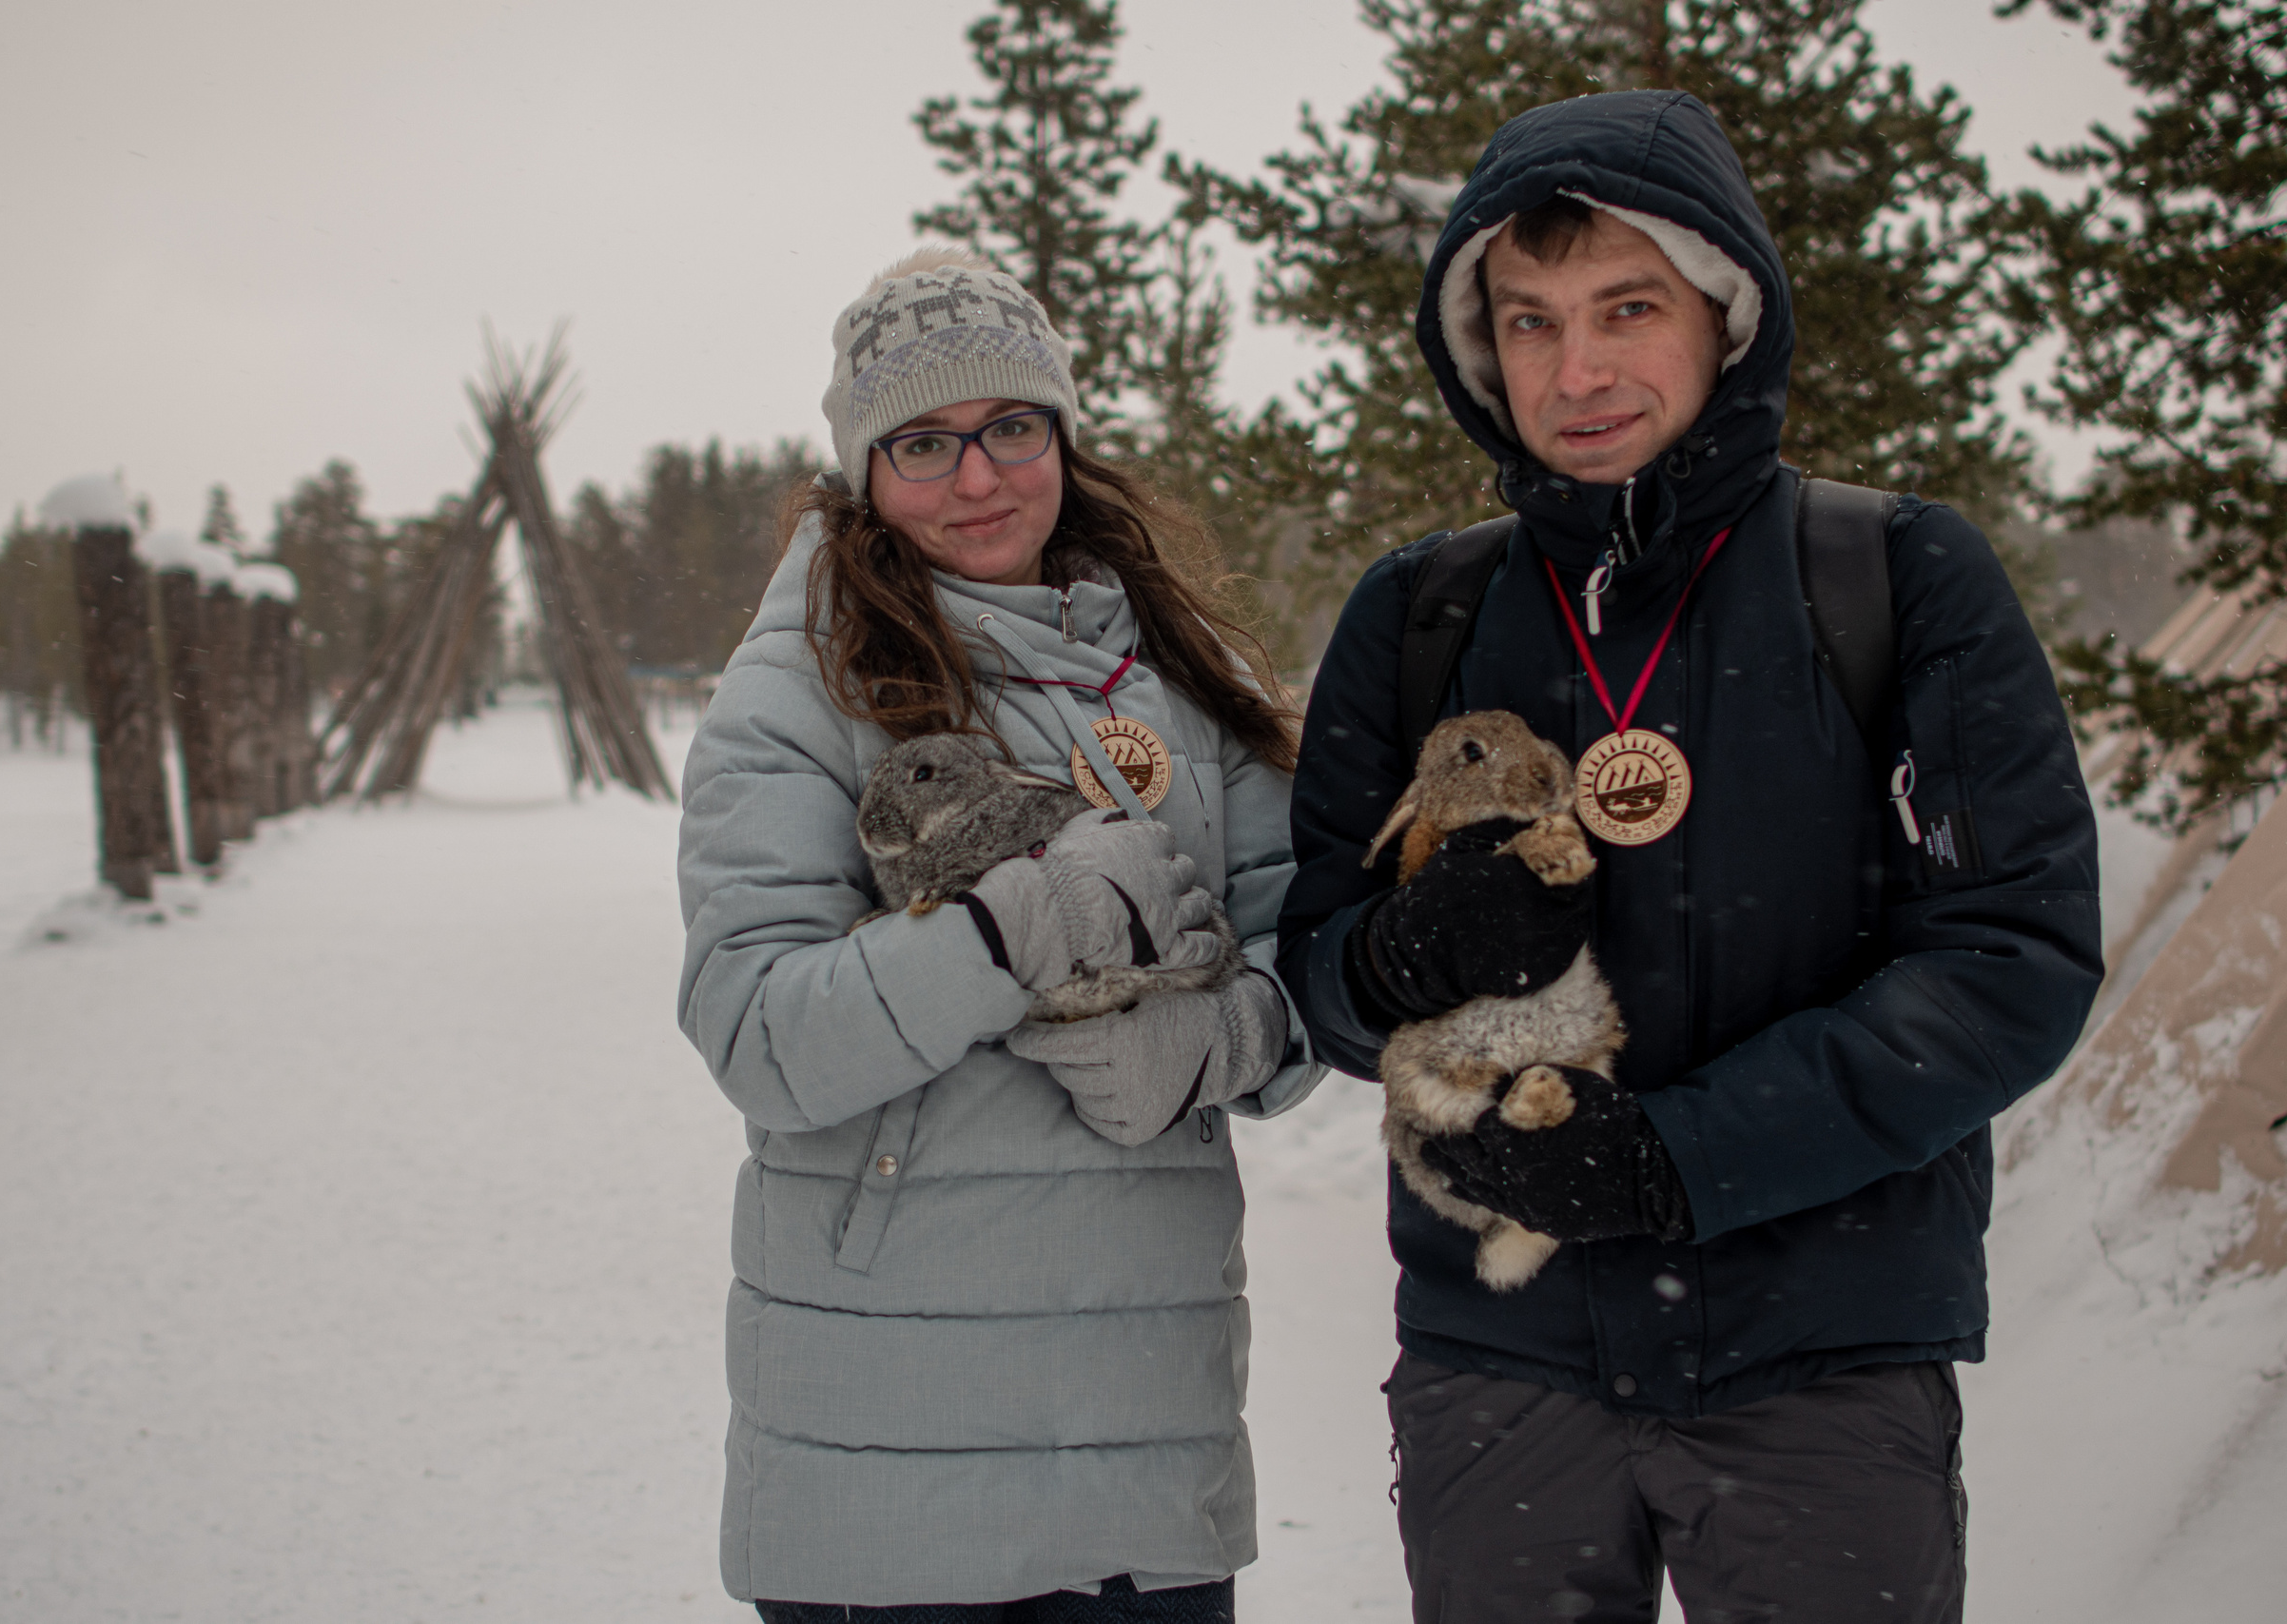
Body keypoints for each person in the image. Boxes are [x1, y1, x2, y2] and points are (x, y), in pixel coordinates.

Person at [1278, 90, 2101, 1621]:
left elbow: (2012, 961)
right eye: (1528, 323)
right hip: (1504, 1367)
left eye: (1628, 309)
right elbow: (1309, 971)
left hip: (1822, 1366)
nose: (1577, 371)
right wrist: (1392, 960)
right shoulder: (1420, 616)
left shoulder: (1894, 574)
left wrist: (1681, 1159)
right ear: (1480, 352)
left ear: (1726, 312)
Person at [677, 246, 1323, 1621]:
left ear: (1062, 437)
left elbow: (1307, 955)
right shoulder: (798, 689)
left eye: (1011, 427)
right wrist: (1016, 925)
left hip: (1145, 1449)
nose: (978, 478)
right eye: (924, 443)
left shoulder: (1180, 674)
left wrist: (1221, 1038)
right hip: (886, 1467)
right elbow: (760, 1033)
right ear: (866, 469)